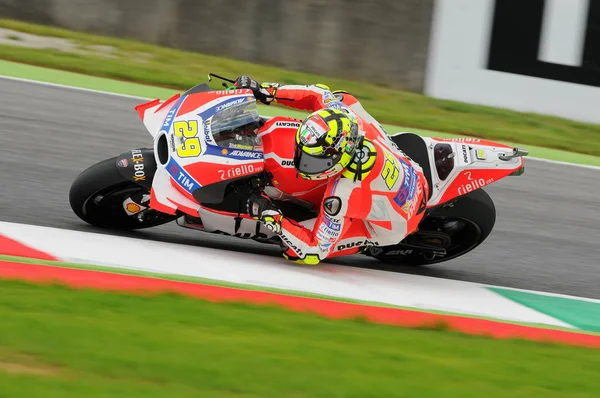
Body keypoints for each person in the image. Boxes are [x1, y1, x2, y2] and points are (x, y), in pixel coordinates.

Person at [235, 76, 430, 265]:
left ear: (339, 160)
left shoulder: (341, 195)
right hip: (412, 170)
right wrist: (265, 91)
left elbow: (314, 249)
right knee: (344, 98)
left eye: (312, 161)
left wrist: (270, 215)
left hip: (395, 224)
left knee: (294, 251)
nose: (303, 164)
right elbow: (317, 92)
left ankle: (363, 244)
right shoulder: (343, 116)